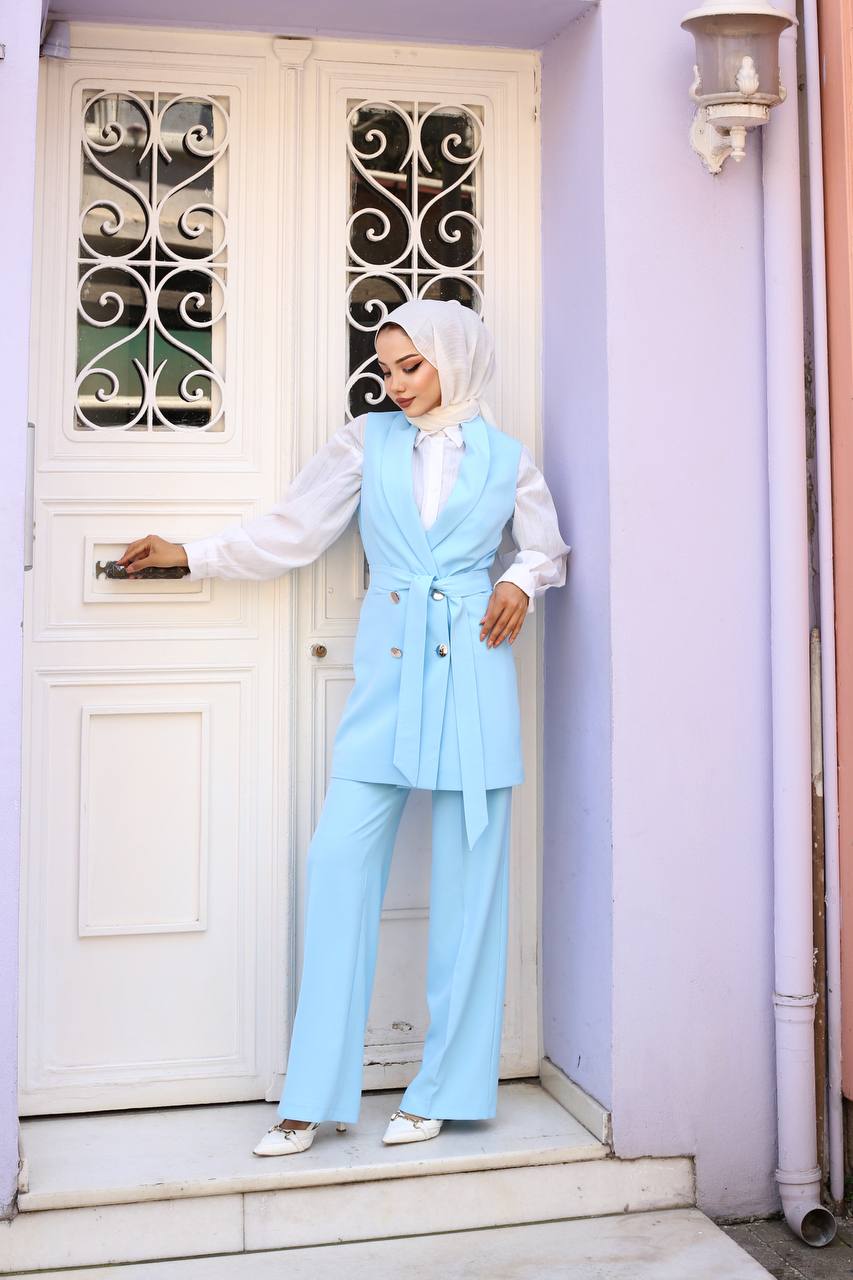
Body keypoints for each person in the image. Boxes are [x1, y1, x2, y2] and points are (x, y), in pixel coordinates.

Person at [117, 298, 571, 1157]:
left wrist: (521, 578)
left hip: (474, 670)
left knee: (472, 887)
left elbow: (546, 546)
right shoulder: (367, 441)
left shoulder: (510, 461)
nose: (396, 384)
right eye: (387, 368)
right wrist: (193, 552)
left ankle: (442, 1088)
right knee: (337, 869)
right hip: (389, 676)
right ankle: (311, 1093)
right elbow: (294, 529)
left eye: (412, 366)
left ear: (455, 360)